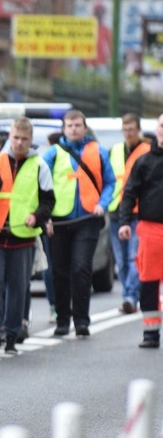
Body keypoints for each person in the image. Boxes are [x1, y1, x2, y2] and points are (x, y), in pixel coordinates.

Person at [0, 118, 55, 354]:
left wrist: (37, 216)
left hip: (23, 237)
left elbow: (48, 201)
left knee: (18, 287)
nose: (19, 143)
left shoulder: (40, 166)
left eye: (24, 139)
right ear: (9, 137)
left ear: (30, 140)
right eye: (16, 137)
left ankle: (12, 334)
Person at [43, 109, 115, 337]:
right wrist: (45, 217)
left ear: (85, 127)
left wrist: (103, 203)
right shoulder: (52, 154)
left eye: (77, 125)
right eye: (69, 125)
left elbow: (110, 183)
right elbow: (40, 187)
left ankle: (82, 320)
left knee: (81, 268)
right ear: (63, 129)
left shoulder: (98, 151)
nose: (73, 129)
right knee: (60, 271)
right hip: (59, 221)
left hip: (88, 219)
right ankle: (62, 320)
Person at [118, 113, 163, 348]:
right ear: (156, 129)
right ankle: (151, 333)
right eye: (162, 126)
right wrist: (125, 221)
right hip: (151, 229)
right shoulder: (144, 162)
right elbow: (129, 194)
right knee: (149, 281)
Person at [108, 113, 150, 314]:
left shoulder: (147, 151)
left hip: (137, 211)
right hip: (116, 210)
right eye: (125, 129)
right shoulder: (115, 150)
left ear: (138, 130)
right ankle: (129, 295)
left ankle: (131, 297)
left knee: (134, 257)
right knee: (121, 259)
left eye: (132, 129)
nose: (128, 133)